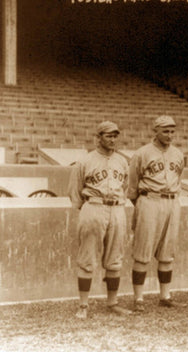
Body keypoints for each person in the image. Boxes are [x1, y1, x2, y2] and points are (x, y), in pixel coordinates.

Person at [68, 121, 131, 319]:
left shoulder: (122, 161)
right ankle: (83, 305)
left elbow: (126, 187)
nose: (112, 140)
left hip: (117, 208)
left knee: (115, 259)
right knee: (87, 257)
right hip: (93, 206)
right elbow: (75, 192)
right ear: (99, 138)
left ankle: (112, 303)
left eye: (115, 136)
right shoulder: (85, 161)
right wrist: (89, 207)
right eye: (108, 136)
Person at [127, 115, 185, 312]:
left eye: (172, 131)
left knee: (167, 253)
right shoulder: (142, 153)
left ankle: (165, 296)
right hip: (149, 200)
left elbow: (178, 177)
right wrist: (142, 202)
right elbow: (132, 185)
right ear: (156, 131)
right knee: (143, 252)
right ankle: (139, 299)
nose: (169, 135)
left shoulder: (178, 154)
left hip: (172, 202)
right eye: (165, 131)